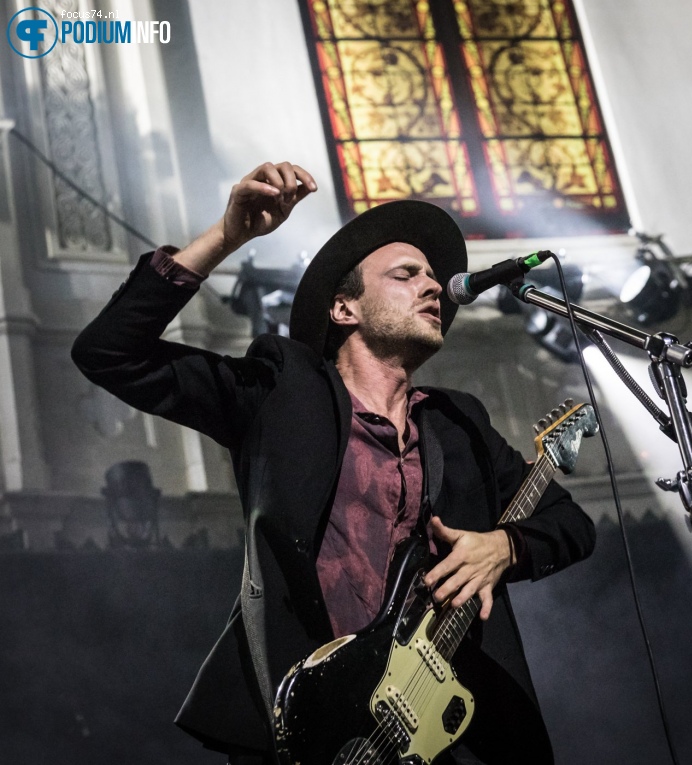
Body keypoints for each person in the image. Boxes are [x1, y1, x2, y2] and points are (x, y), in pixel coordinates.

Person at [71, 161, 596, 764]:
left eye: (432, 275)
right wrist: (227, 236)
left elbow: (572, 526)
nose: (432, 285)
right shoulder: (280, 393)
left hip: (435, 729)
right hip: (311, 721)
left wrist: (505, 547)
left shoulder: (458, 424)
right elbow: (109, 352)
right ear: (344, 309)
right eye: (406, 274)